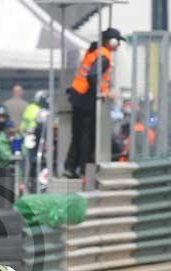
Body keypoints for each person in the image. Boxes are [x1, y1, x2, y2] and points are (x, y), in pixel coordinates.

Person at [64, 27, 124, 179]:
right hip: (87, 98)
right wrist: (102, 93)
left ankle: (71, 167)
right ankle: (84, 168)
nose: (119, 45)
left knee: (77, 135)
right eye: (118, 42)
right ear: (111, 41)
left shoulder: (96, 51)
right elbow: (92, 76)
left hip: (78, 96)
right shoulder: (104, 56)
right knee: (87, 136)